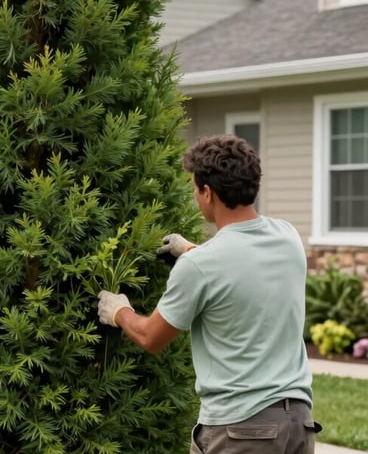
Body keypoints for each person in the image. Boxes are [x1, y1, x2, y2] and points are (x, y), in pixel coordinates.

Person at [97, 134, 318, 453]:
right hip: (298, 425)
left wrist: (119, 311)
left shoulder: (200, 266)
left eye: (194, 189)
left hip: (242, 430)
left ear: (207, 192)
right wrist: (190, 249)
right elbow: (240, 263)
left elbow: (151, 338)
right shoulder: (287, 236)